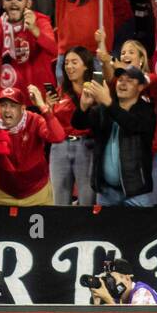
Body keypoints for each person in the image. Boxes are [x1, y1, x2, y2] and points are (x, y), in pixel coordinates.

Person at [0, 84, 66, 206]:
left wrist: (42, 106)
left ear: (23, 108)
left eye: (13, 106)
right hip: (3, 192)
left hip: (37, 193)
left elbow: (58, 136)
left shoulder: (35, 120)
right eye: (3, 105)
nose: (7, 110)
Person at [74, 67, 157, 207]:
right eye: (120, 80)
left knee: (139, 229)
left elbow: (131, 124)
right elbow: (78, 124)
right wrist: (83, 106)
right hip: (106, 192)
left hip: (136, 192)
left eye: (129, 80)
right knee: (105, 230)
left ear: (141, 87)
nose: (122, 83)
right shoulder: (104, 109)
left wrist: (108, 103)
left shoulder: (147, 112)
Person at [48, 47, 97, 206]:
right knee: (60, 202)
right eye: (67, 63)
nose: (69, 66)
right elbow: (53, 122)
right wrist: (49, 108)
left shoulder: (95, 89)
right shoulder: (61, 90)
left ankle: (87, 230)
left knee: (87, 200)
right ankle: (61, 231)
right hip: (60, 147)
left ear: (86, 66)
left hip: (87, 146)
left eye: (74, 62)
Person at [87, 257, 157, 306]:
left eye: (113, 280)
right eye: (108, 280)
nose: (110, 284)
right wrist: (97, 303)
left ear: (127, 278)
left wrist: (108, 299)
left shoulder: (141, 292)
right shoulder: (118, 299)